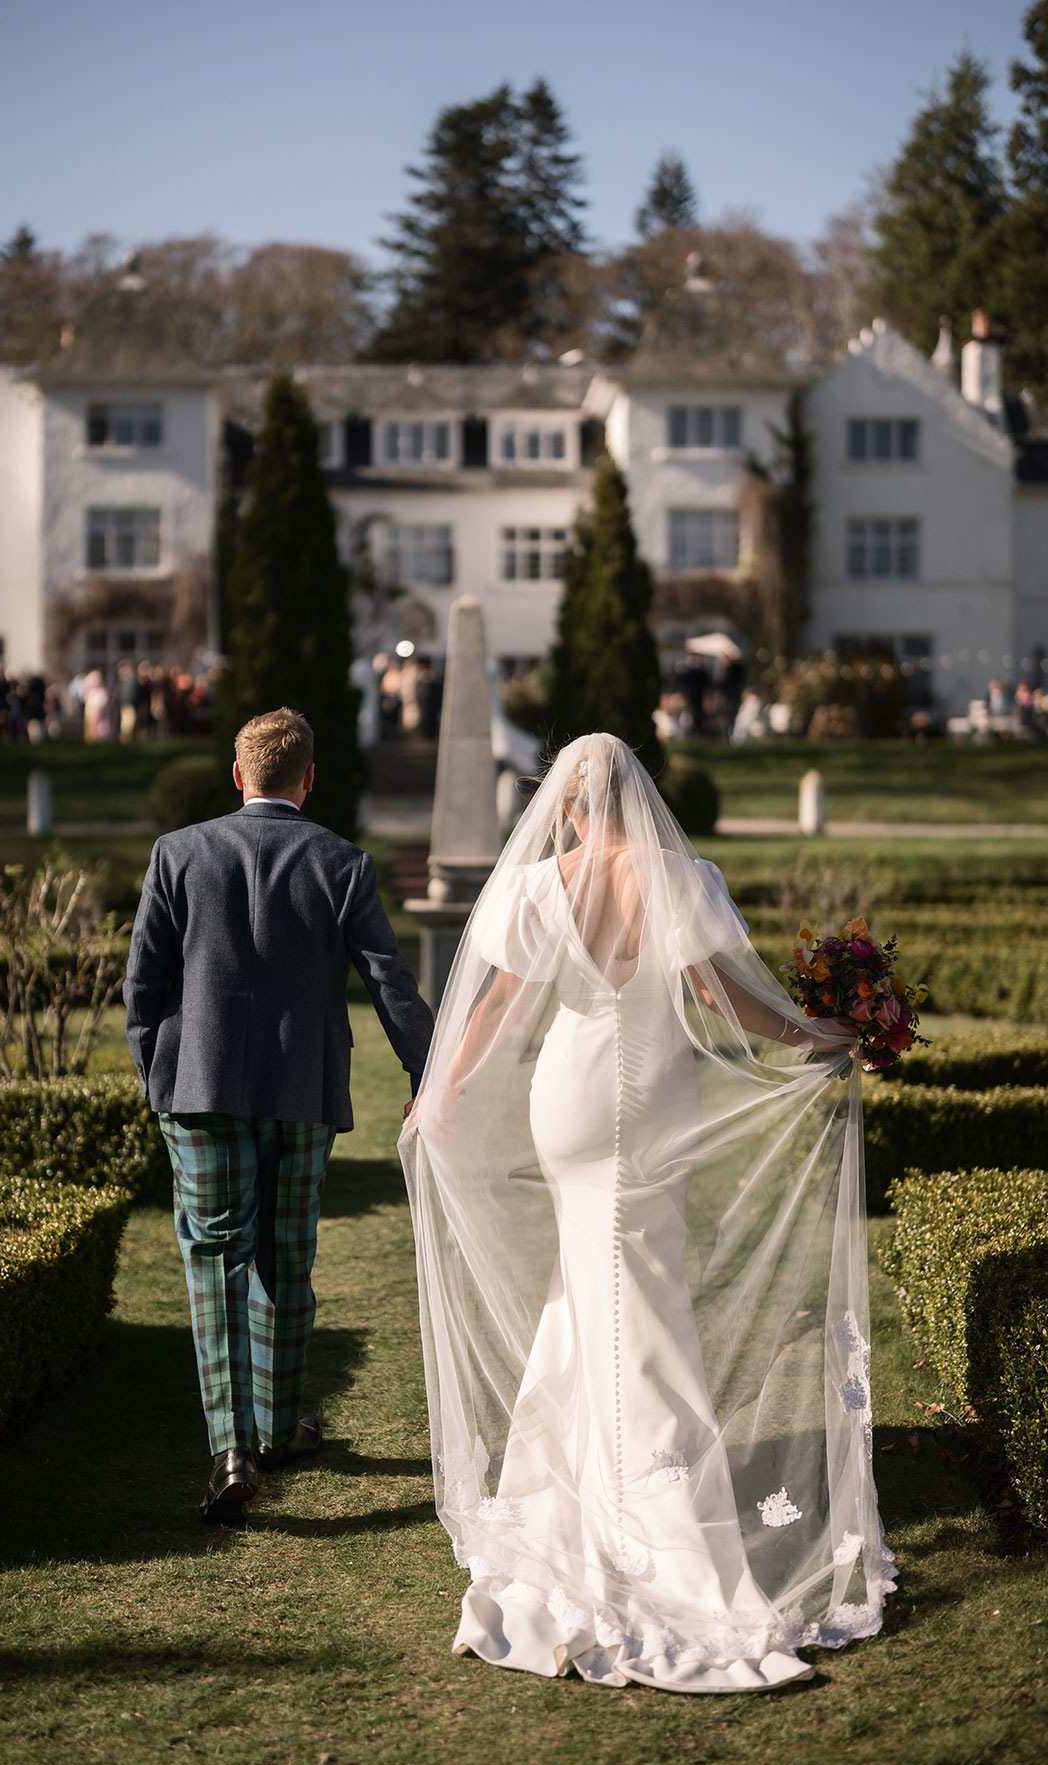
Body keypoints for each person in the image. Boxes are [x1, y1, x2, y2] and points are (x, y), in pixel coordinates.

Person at [400, 734, 889, 1694]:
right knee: (641, 1294)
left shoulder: (543, 885)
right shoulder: (677, 876)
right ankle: (647, 1525)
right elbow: (720, 994)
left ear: (571, 806)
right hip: (654, 1094)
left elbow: (500, 999)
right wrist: (815, 1033)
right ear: (639, 796)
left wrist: (441, 1087)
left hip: (571, 1098)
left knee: (591, 1289)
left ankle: (569, 1496)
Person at [125, 707, 434, 1525]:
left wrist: (159, 1077)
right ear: (308, 779)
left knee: (215, 1258)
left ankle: (232, 1449)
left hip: (199, 1090)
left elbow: (141, 987)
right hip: (303, 1092)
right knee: (286, 1256)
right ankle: (275, 1429)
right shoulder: (341, 861)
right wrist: (426, 1071)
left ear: (238, 776)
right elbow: (389, 983)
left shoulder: (177, 853)